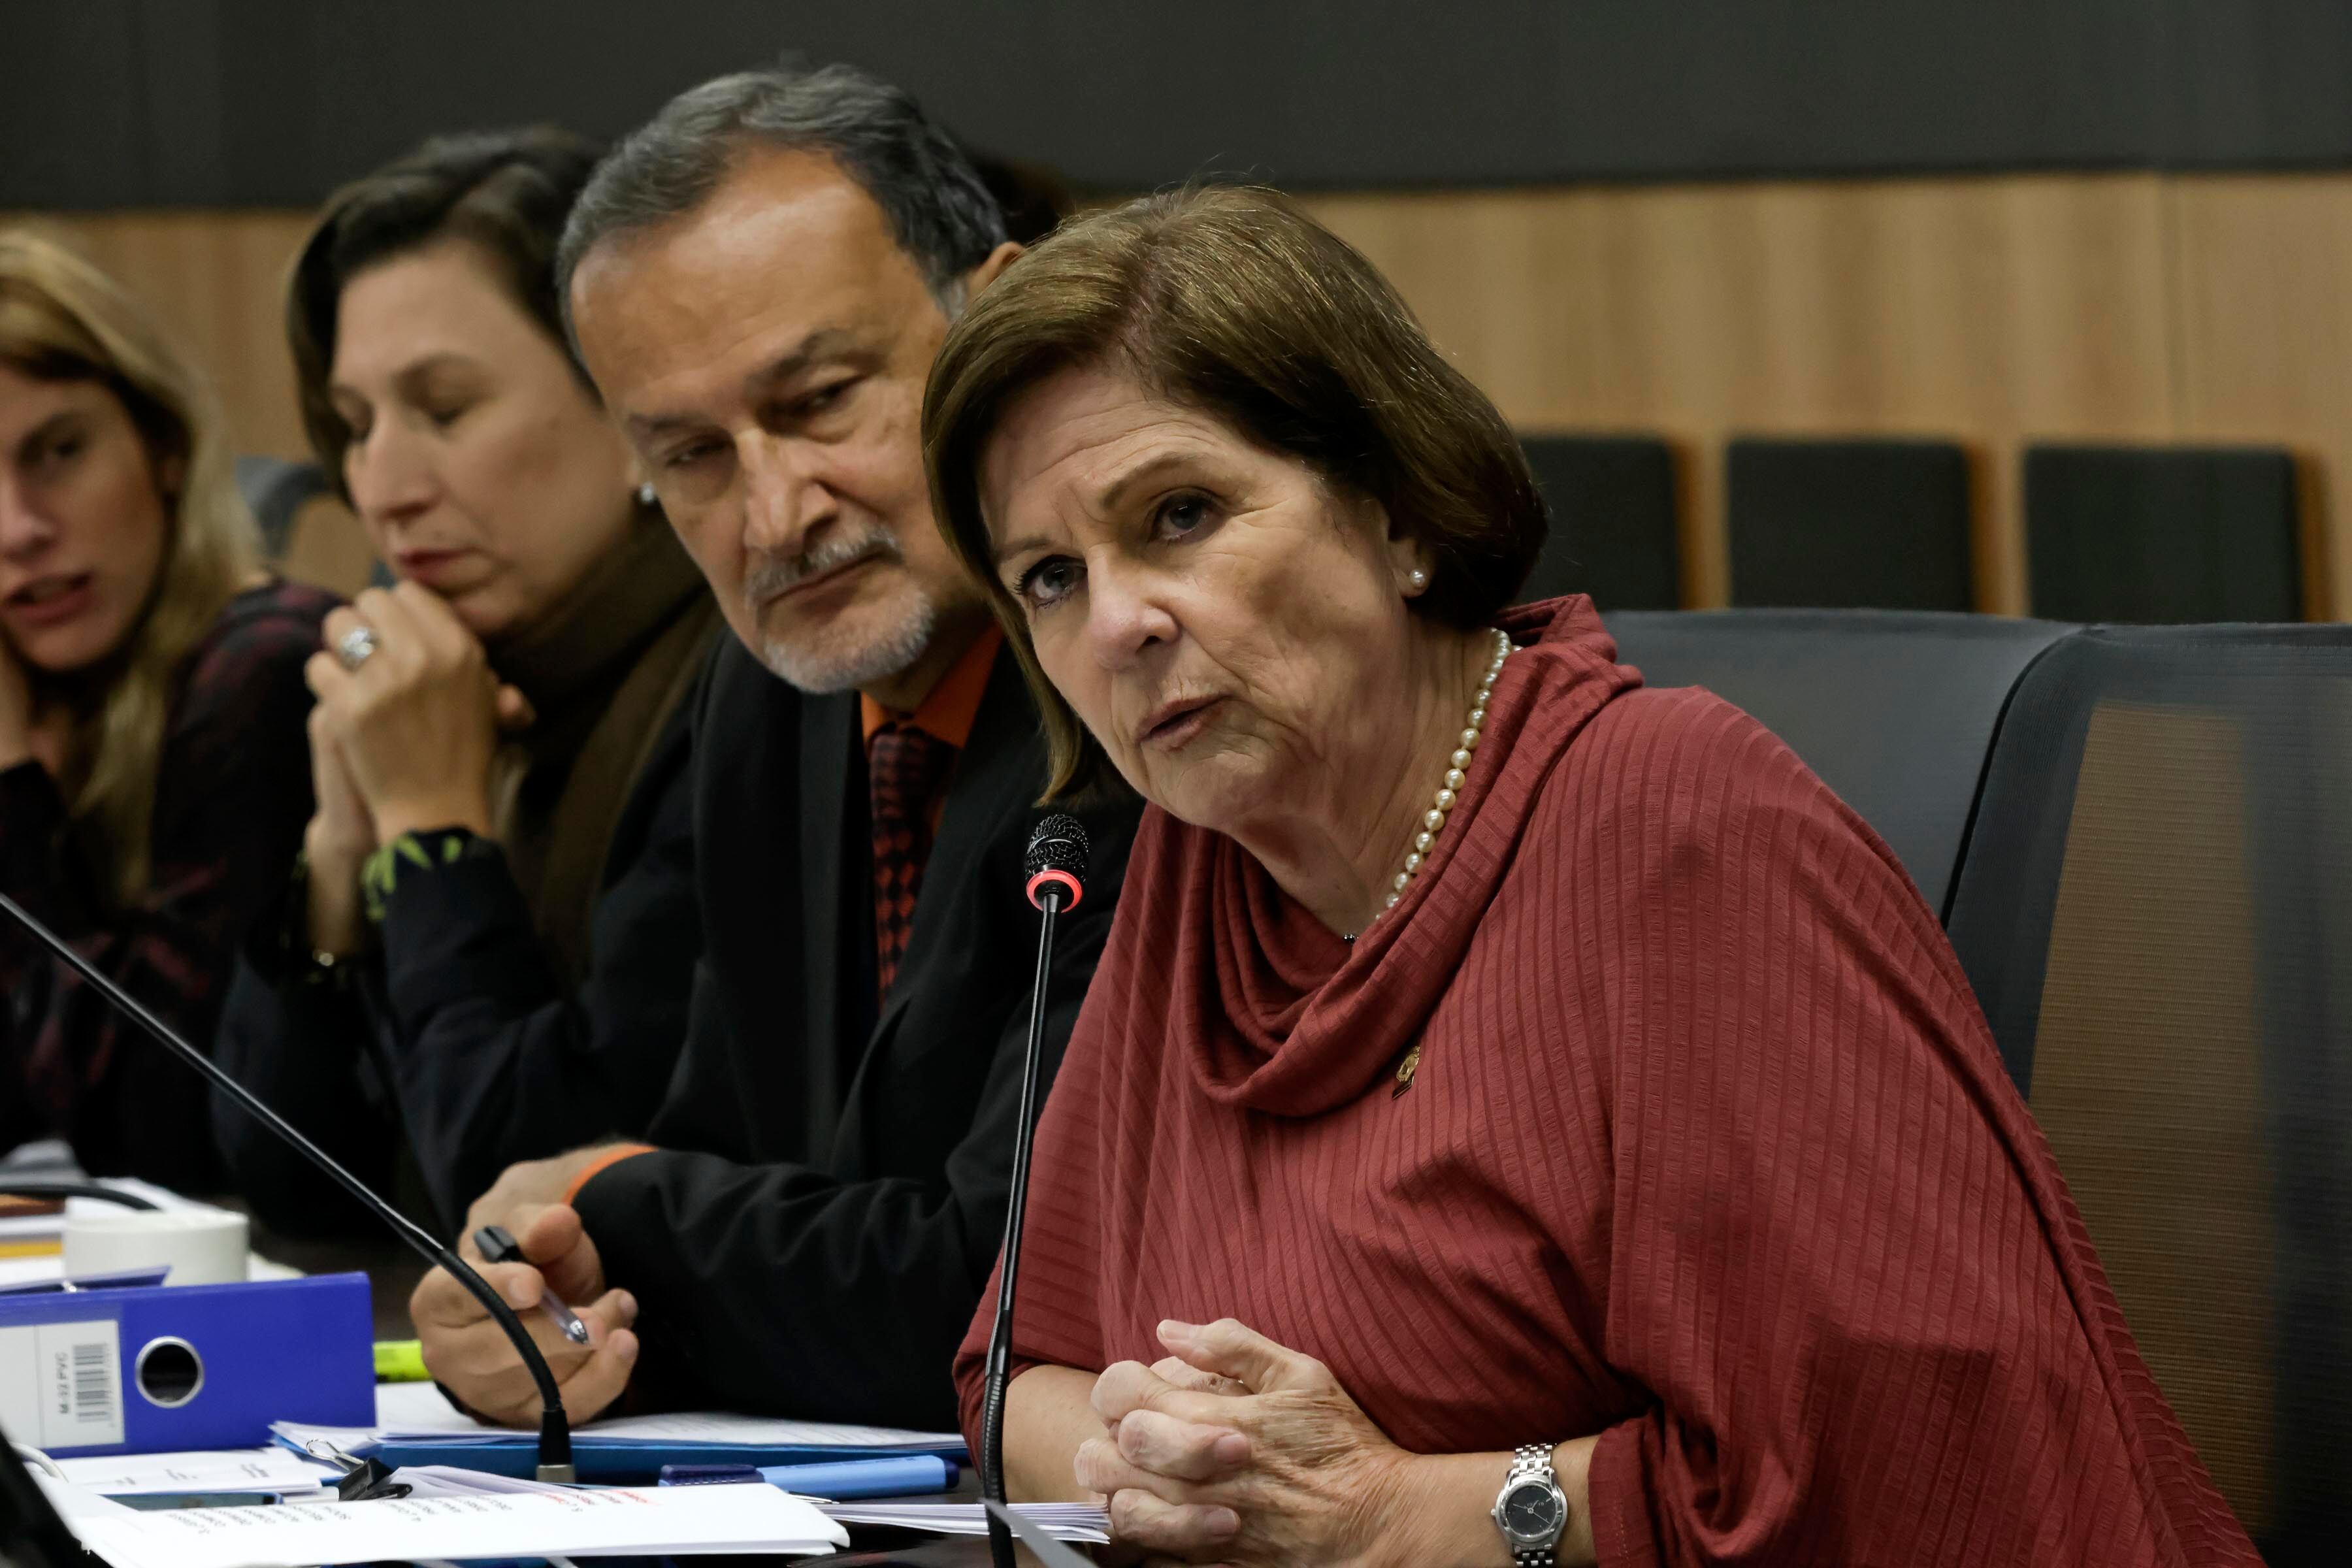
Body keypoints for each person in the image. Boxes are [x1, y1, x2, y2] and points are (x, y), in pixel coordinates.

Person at [923, 188, 2262, 1567]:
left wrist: (1394, 1516)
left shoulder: (1681, 830)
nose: (1121, 624)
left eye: (1181, 515)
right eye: (1049, 579)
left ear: (1397, 515)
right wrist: (1186, 1458)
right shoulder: (1201, 880)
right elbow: (1017, 1369)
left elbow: (1909, 1470)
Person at [404, 63, 1141, 1431]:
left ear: (1004, 324)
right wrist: (552, 1311)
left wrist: (605, 1202)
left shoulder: (1143, 683)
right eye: (688, 455)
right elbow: (729, 1174)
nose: (771, 514)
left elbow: (997, 1287)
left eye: (818, 402)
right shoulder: (772, 686)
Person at [210, 129, 723, 1235]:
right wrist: (342, 863)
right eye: (353, 429)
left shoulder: (744, 694)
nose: (381, 489)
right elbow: (286, 1179)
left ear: (634, 409)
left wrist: (436, 834)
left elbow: (535, 1200)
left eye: (443, 410)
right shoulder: (457, 683)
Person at [0, 231, 334, 1187]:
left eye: (58, 452)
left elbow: (154, 1134)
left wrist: (12, 788)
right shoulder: (57, 699)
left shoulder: (263, 668)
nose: (18, 527)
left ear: (165, 448)